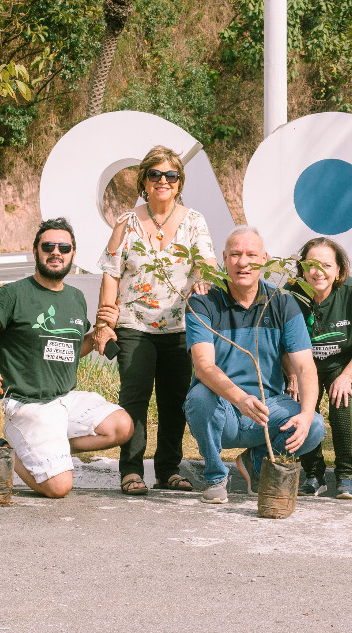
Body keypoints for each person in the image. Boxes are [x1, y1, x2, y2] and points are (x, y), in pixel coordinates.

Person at [0, 218, 133, 498]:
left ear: (73, 254)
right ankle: (7, 447)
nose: (56, 252)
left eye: (64, 247)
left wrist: (101, 334)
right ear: (35, 251)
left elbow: (71, 348)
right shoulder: (13, 294)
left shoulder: (75, 297)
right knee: (59, 488)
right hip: (24, 403)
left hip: (63, 399)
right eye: (48, 246)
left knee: (121, 427)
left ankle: (48, 448)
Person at [95, 145, 216, 496]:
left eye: (171, 176)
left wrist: (205, 278)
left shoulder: (194, 221)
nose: (163, 181)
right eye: (155, 175)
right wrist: (105, 321)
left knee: (174, 399)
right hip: (134, 324)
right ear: (143, 181)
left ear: (180, 183)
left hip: (180, 325)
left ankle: (167, 469)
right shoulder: (127, 221)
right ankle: (131, 470)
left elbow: (206, 261)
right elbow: (110, 272)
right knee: (134, 396)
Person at [183, 226, 326, 504]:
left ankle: (257, 465)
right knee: (199, 396)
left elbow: (305, 367)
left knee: (316, 426)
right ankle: (215, 477)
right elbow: (203, 367)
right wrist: (240, 399)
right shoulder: (203, 302)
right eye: (235, 254)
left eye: (251, 254)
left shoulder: (282, 302)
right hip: (223, 408)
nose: (243, 262)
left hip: (267, 409)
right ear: (224, 259)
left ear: (264, 259)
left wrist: (307, 414)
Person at [287, 236, 352, 500]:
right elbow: (282, 343)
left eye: (326, 265)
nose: (318, 272)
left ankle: (345, 476)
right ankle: (314, 475)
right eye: (311, 265)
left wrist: (347, 376)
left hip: (343, 363)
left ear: (339, 269)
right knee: (301, 408)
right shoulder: (291, 293)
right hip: (304, 366)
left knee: (342, 403)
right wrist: (292, 375)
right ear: (302, 267)